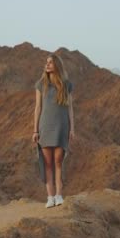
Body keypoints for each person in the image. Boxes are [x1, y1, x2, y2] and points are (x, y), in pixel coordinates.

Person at [32, 53, 75, 208]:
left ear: (57, 65)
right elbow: (37, 108)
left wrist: (72, 129)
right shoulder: (40, 84)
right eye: (46, 62)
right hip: (45, 127)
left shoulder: (67, 84)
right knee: (48, 163)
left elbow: (70, 108)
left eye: (50, 62)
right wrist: (35, 130)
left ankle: (59, 195)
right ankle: (50, 197)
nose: (47, 64)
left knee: (58, 162)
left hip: (61, 127)